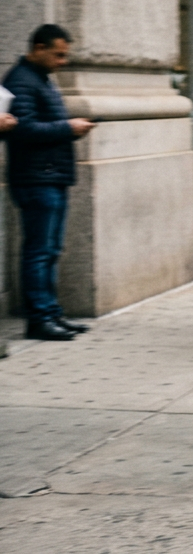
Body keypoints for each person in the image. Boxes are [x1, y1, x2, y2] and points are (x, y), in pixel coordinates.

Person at [3, 24, 96, 341]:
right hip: (36, 179)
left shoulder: (38, 79)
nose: (62, 61)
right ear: (38, 48)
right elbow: (23, 129)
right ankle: (40, 318)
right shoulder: (21, 80)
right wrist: (68, 128)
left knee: (51, 249)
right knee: (39, 251)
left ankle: (51, 313)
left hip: (49, 177)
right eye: (58, 54)